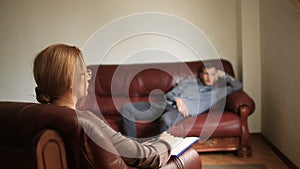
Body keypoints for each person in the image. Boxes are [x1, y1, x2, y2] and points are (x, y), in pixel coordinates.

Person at [33, 43, 173, 169]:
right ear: (71, 80)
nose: (89, 78)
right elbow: (146, 157)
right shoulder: (85, 122)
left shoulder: (36, 116)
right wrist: (166, 143)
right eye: (85, 72)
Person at [121, 63, 242, 138]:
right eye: (206, 74)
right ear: (200, 74)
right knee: (126, 108)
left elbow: (238, 86)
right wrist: (177, 99)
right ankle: (131, 146)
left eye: (212, 74)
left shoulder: (219, 91)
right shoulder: (188, 82)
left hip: (177, 112)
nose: (209, 77)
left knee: (166, 120)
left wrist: (223, 74)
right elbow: (169, 94)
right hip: (163, 104)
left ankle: (156, 151)